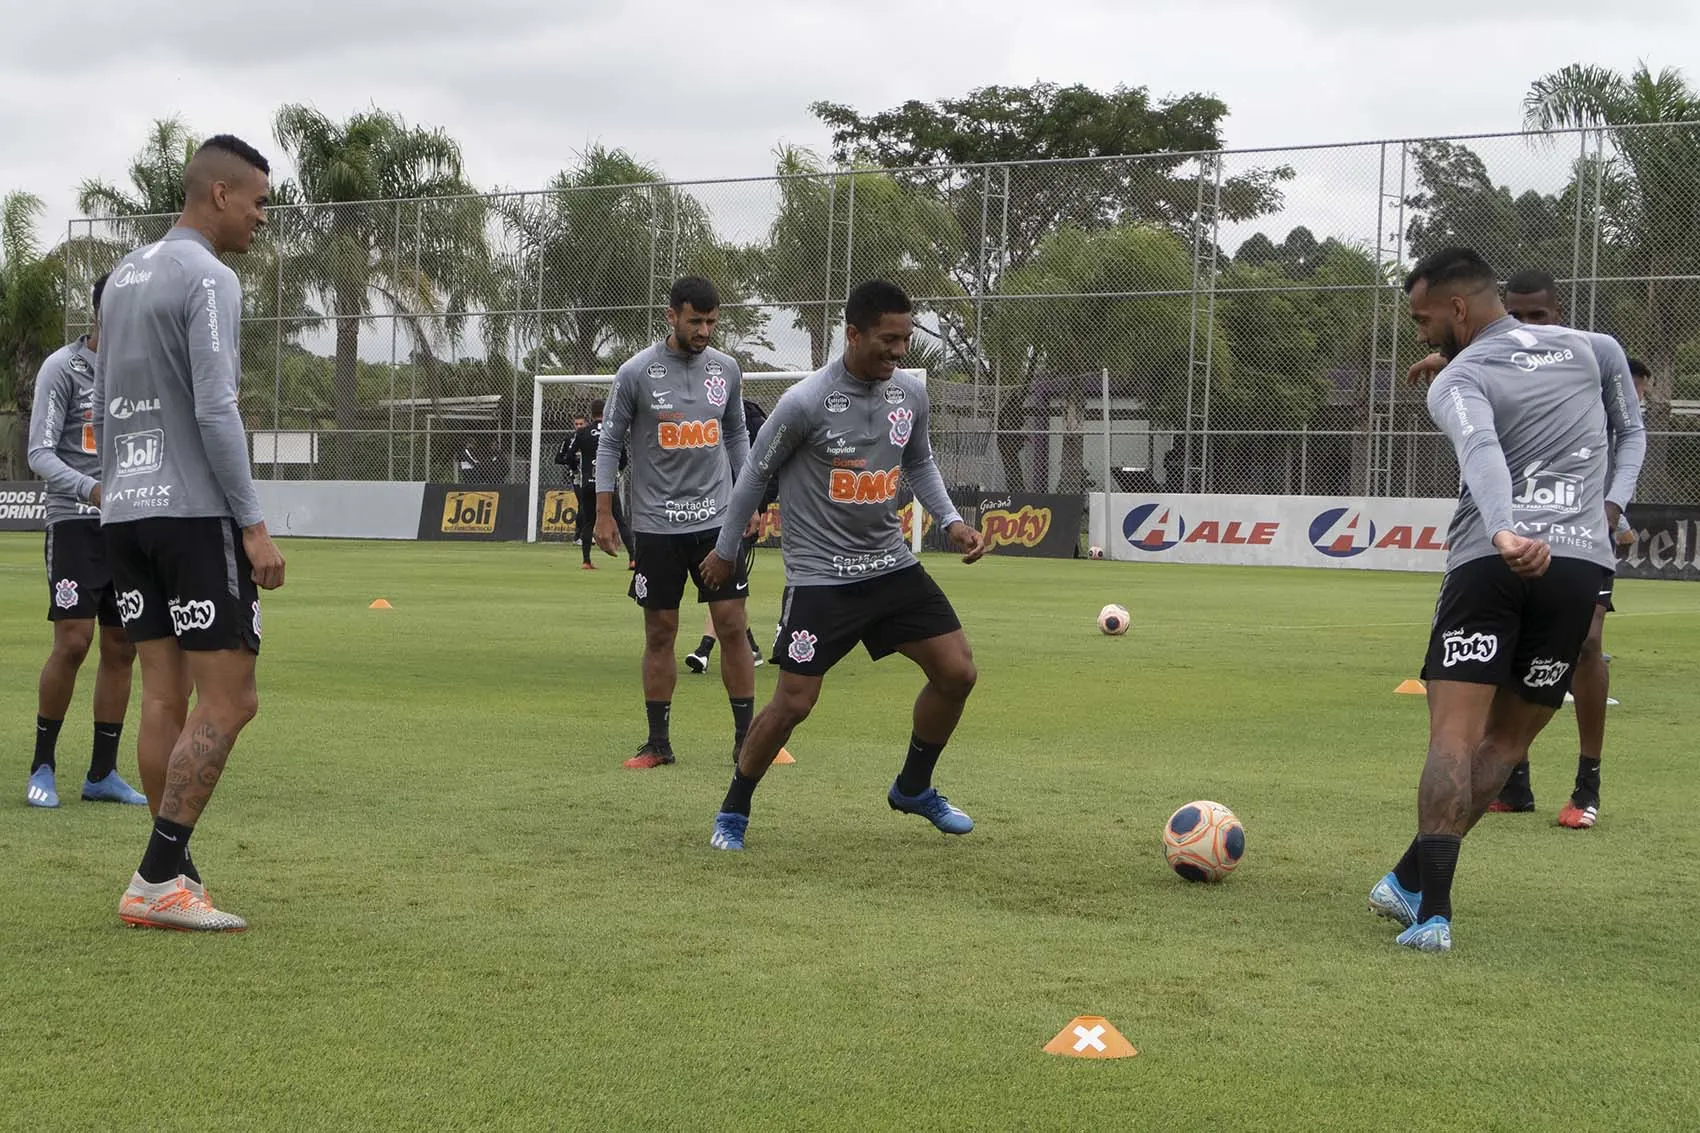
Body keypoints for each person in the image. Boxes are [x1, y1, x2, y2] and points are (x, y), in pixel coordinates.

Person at [1370, 248, 1643, 952]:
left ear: (1457, 309)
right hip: (1578, 565)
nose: (1422, 335)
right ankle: (1407, 880)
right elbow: (1631, 432)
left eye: (1424, 319)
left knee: (1452, 739)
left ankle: (1433, 913)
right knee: (1508, 742)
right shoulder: (1598, 349)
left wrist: (1504, 529)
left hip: (1488, 561)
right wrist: (1611, 505)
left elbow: (1482, 449)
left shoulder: (1457, 377)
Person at [698, 279, 987, 852]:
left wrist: (952, 521)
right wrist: (726, 548)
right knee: (793, 704)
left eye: (905, 339)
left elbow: (920, 463)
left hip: (891, 567)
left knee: (958, 672)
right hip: (822, 578)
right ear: (852, 333)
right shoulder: (804, 402)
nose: (899, 350)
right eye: (887, 338)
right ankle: (733, 809)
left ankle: (913, 787)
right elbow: (755, 474)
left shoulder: (909, 395)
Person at [92, 134, 287, 932]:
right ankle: (157, 874)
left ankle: (173, 870)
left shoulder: (125, 277)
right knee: (231, 699)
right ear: (219, 195)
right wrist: (253, 523)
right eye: (258, 203)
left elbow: (103, 395)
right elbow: (215, 406)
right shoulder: (210, 277)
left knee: (165, 695)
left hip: (124, 512)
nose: (261, 219)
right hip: (192, 514)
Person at [1407, 268, 1648, 829]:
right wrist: (1453, 360)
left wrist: (1614, 506)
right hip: (1507, 543)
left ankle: (1587, 780)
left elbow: (1627, 431)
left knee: (1588, 645)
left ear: (1557, 315)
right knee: (1495, 689)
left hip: (1577, 533)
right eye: (1520, 315)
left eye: (1539, 317)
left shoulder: (1589, 353)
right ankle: (1512, 783)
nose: (1528, 326)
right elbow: (1504, 381)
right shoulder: (1480, 361)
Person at [593, 276, 753, 769]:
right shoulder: (636, 373)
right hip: (658, 525)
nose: (704, 330)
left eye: (711, 322)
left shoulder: (726, 370)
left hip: (717, 524)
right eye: (695, 321)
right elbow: (609, 443)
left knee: (731, 626)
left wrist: (744, 506)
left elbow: (736, 435)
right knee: (660, 632)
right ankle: (658, 744)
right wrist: (603, 513)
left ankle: (748, 741)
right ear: (671, 316)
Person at [25, 272, 147, 809]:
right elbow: (40, 453)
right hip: (75, 519)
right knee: (74, 642)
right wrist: (92, 489)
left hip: (129, 525)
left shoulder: (143, 372)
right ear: (100, 313)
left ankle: (102, 774)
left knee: (123, 646)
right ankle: (43, 765)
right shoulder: (63, 369)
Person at [686, 395, 774, 673]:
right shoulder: (701, 414)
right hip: (709, 515)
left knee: (723, 587)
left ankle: (704, 650)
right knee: (727, 592)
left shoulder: (757, 423)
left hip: (740, 517)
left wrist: (754, 507)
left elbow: (770, 471)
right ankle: (751, 647)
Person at [557, 399, 631, 570]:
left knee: (588, 521)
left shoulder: (582, 433)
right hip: (607, 484)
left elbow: (568, 457)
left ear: (591, 414)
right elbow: (623, 457)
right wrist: (617, 470)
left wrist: (576, 470)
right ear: (605, 412)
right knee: (619, 519)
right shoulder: (611, 431)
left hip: (588, 483)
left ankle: (586, 560)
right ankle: (632, 559)